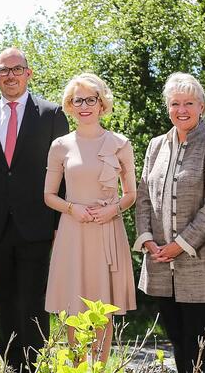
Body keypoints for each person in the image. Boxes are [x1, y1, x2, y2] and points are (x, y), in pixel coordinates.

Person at [0, 48, 69, 372]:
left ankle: (35, 366)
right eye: (4, 70)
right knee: (3, 304)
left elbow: (63, 173)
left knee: (34, 304)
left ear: (29, 73)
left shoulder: (51, 115)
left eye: (17, 69)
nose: (10, 75)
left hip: (38, 226)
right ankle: (11, 366)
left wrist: (59, 223)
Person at [133, 73, 205, 373]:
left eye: (188, 103)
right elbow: (143, 197)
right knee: (176, 338)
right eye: (175, 103)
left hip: (199, 261)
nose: (181, 109)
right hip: (160, 260)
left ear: (201, 106)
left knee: (197, 339)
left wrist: (178, 246)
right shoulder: (155, 146)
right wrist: (148, 239)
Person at [43, 73, 137, 363]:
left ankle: (99, 368)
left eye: (90, 99)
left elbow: (131, 194)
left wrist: (112, 210)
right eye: (77, 100)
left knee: (103, 309)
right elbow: (48, 196)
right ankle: (76, 367)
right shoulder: (60, 145)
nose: (84, 106)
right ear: (70, 105)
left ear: (101, 103)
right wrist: (73, 209)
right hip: (73, 232)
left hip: (107, 232)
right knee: (74, 307)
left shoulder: (121, 144)